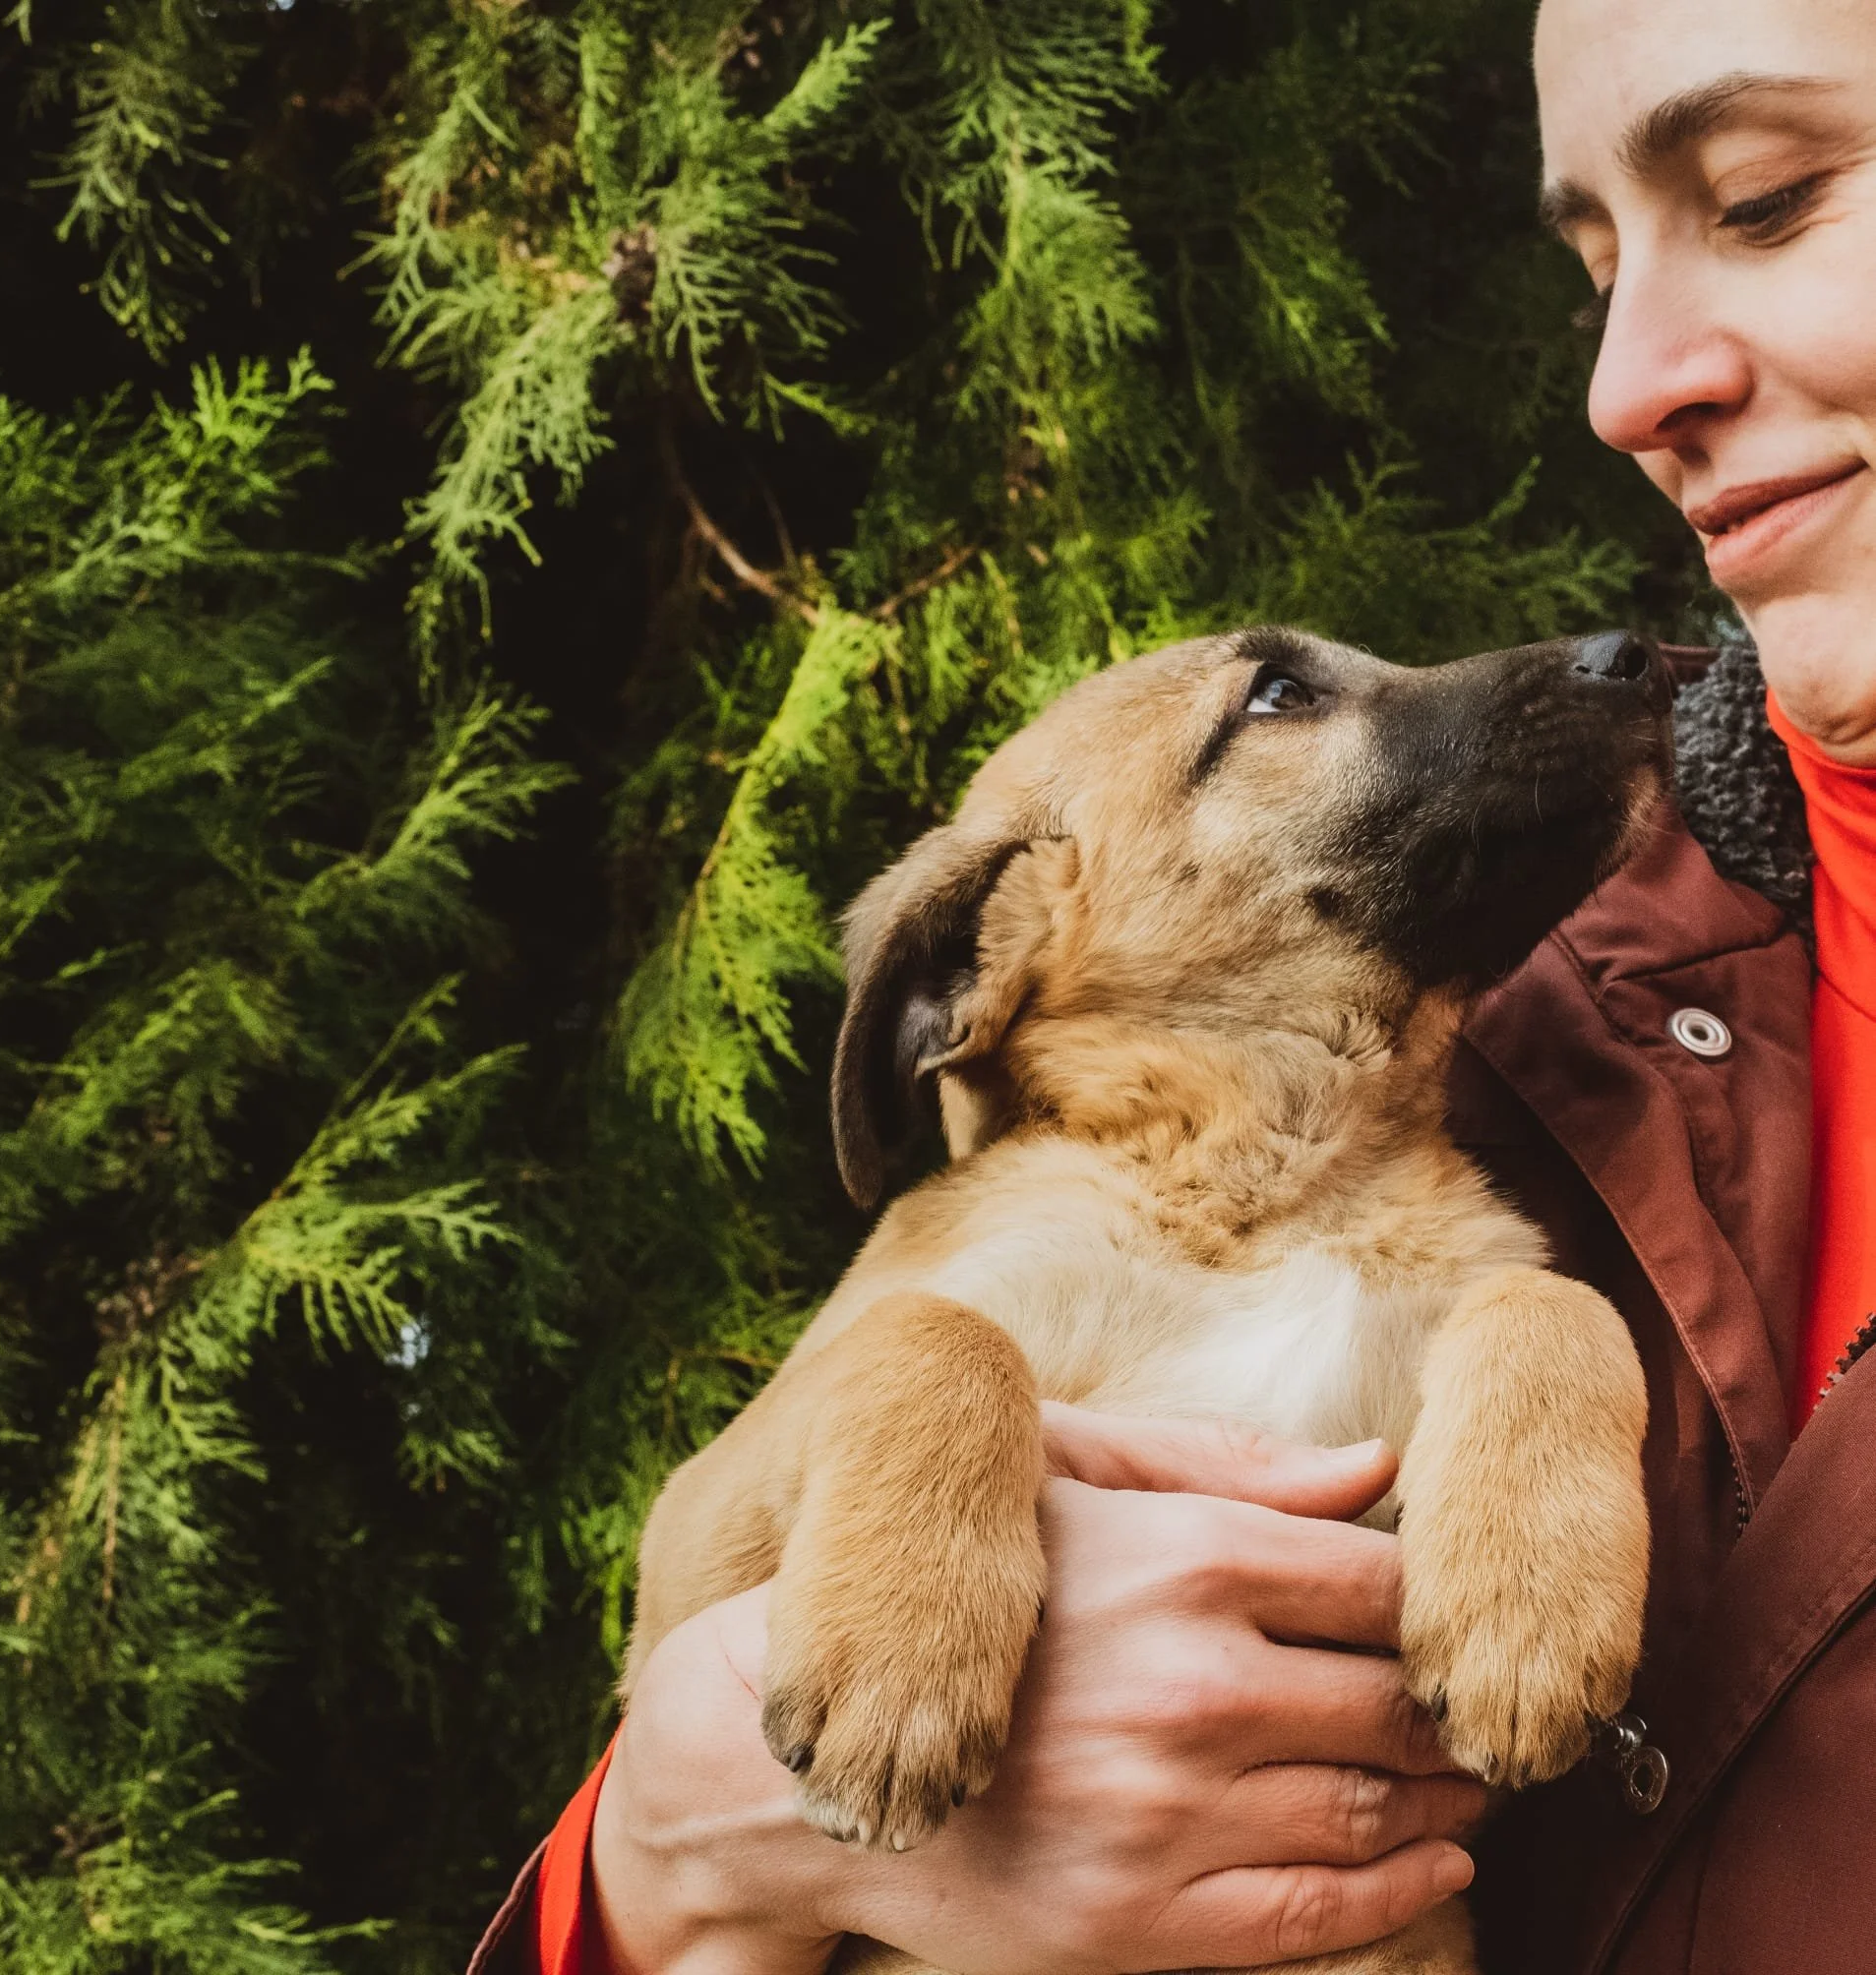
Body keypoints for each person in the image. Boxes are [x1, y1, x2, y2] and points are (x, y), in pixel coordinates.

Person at [471, 0, 1876, 1968]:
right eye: (1589, 271)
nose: (1624, 386)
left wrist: (1542, 1367)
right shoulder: (1556, 1020)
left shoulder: (1498, 1214)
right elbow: (718, 1629)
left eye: (1765, 194)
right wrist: (670, 1858)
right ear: (984, 969)